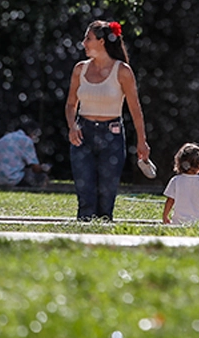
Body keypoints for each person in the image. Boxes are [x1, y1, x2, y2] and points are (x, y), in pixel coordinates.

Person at [64, 20, 149, 221]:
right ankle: (84, 228)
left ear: (101, 42)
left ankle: (104, 229)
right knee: (85, 188)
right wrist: (72, 125)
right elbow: (70, 105)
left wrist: (141, 141)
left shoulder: (122, 71)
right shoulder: (80, 69)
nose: (84, 43)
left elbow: (135, 109)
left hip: (112, 133)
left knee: (107, 190)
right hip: (83, 133)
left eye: (88, 38)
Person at [0, 119, 49, 188]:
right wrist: (44, 168)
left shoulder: (6, 137)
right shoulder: (26, 141)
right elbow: (35, 169)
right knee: (41, 177)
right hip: (8, 179)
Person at [163, 142, 199, 225]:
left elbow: (170, 200)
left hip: (178, 222)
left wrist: (165, 216)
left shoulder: (175, 180)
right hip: (198, 223)